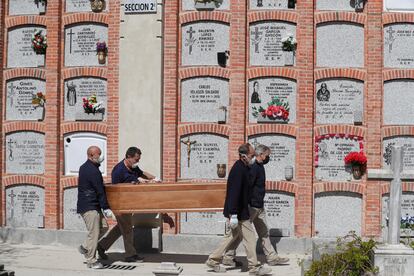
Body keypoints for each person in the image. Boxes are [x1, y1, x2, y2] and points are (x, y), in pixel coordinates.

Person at [205, 143, 272, 276]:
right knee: (250, 238)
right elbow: (234, 193)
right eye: (252, 155)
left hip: (241, 211)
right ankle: (254, 268)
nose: (254, 157)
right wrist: (233, 214)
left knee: (231, 236)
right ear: (244, 156)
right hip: (239, 212)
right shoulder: (238, 170)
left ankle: (213, 260)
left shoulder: (244, 168)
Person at [222, 144, 290, 267]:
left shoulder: (260, 166)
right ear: (261, 155)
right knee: (239, 234)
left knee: (264, 232)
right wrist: (248, 204)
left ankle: (272, 258)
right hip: (252, 206)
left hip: (259, 206)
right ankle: (228, 256)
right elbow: (248, 187)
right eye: (267, 155)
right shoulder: (253, 168)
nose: (268, 158)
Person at [98, 147, 159, 262]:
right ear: (129, 157)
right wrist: (133, 182)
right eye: (136, 159)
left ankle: (101, 246)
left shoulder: (133, 167)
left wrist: (155, 178)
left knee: (120, 229)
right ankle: (130, 255)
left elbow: (142, 173)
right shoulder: (118, 170)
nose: (138, 162)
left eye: (138, 159)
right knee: (127, 229)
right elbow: (116, 189)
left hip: (130, 204)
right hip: (120, 205)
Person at [77, 146, 114, 269]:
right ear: (91, 155)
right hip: (90, 206)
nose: (101, 156)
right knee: (94, 233)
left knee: (104, 227)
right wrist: (106, 208)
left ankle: (85, 247)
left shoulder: (85, 167)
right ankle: (91, 261)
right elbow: (100, 190)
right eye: (99, 154)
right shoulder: (93, 171)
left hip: (92, 205)